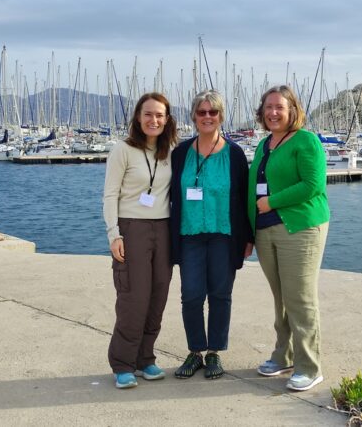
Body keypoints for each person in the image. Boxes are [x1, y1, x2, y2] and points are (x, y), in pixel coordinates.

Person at [247, 85, 330, 392]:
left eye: (279, 107)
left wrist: (272, 202)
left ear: (292, 110)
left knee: (300, 298)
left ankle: (310, 366)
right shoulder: (265, 144)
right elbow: (252, 188)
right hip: (265, 230)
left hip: (300, 228)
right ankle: (284, 355)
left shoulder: (306, 141)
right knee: (281, 297)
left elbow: (313, 184)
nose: (273, 112)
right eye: (268, 107)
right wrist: (249, 230)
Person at [169, 90, 253, 379]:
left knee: (220, 294)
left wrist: (248, 238)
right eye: (202, 112)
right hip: (189, 234)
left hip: (224, 235)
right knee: (191, 295)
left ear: (220, 116)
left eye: (213, 112)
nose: (207, 117)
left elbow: (245, 199)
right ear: (193, 116)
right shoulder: (180, 153)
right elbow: (169, 195)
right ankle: (195, 352)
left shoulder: (235, 154)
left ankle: (214, 352)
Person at [102, 92, 178, 389]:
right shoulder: (123, 150)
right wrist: (114, 234)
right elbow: (110, 194)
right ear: (137, 117)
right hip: (131, 228)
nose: (154, 120)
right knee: (133, 298)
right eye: (148, 114)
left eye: (159, 115)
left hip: (164, 229)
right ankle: (123, 363)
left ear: (167, 119)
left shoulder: (170, 150)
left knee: (158, 296)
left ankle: (145, 358)